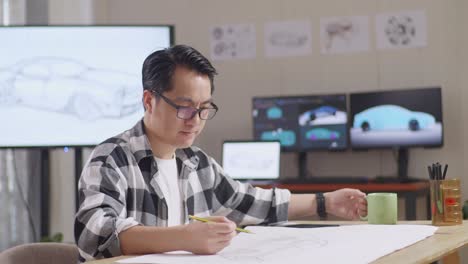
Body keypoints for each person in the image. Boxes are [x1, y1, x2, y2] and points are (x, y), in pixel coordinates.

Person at [74, 44, 367, 262]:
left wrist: (326, 202)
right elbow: (95, 234)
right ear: (149, 101)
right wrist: (184, 238)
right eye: (185, 107)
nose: (196, 119)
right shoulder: (112, 158)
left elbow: (251, 202)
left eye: (204, 109)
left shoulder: (196, 163)